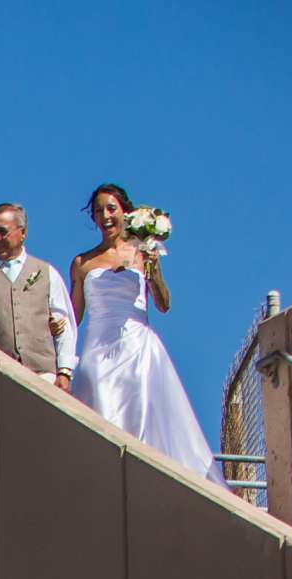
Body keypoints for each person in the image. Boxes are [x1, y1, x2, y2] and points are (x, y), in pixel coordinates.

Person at [67, 183, 222, 482]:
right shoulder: (82, 263)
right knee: (101, 412)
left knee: (141, 421)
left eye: (111, 209)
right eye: (99, 211)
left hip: (137, 348)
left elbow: (163, 304)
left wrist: (154, 270)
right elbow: (74, 316)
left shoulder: (143, 253)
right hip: (98, 351)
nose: (105, 216)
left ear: (125, 212)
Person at [0, 203, 78, 391]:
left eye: (2, 232)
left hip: (43, 376)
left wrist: (64, 371)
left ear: (23, 233)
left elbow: (64, 323)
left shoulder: (46, 272)